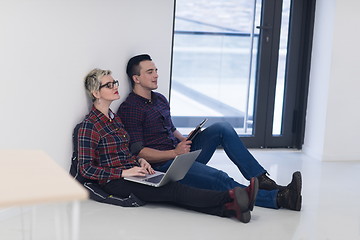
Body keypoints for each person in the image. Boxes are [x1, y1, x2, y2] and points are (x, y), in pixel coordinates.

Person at [117, 54, 302, 211]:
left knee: (222, 128)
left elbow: (169, 128)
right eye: (150, 72)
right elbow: (139, 151)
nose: (156, 75)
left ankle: (260, 179)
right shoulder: (130, 108)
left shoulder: (159, 99)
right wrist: (174, 153)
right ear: (136, 78)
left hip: (180, 153)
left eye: (156, 70)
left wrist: (184, 139)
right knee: (219, 178)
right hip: (164, 166)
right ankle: (280, 198)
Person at [77, 68, 259, 223]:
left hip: (133, 172)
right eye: (109, 85)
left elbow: (124, 152)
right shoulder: (89, 126)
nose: (115, 87)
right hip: (115, 182)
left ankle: (230, 209)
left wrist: (140, 161)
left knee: (171, 192)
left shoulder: (114, 118)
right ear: (95, 93)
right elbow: (86, 169)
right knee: (172, 190)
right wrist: (124, 173)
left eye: (115, 82)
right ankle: (232, 197)